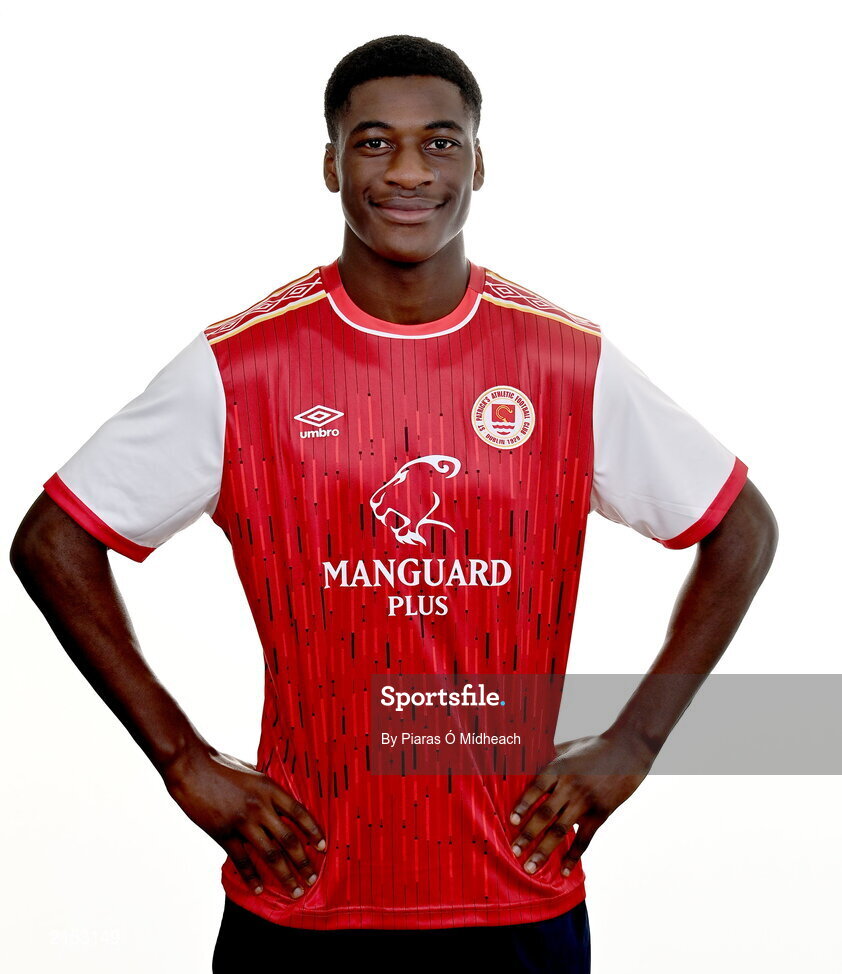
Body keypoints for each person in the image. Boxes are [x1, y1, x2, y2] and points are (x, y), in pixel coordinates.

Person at [9, 34, 777, 974]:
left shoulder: (564, 364)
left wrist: (637, 740)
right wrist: (182, 760)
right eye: (374, 143)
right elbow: (53, 541)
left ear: (480, 162)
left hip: (515, 898)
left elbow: (742, 528)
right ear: (330, 163)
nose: (409, 170)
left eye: (440, 142)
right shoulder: (242, 369)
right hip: (304, 898)